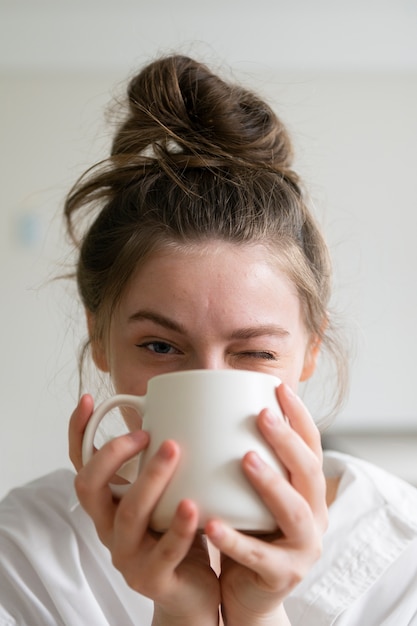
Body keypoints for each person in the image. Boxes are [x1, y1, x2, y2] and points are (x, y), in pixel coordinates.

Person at [1, 54, 416, 626]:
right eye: (161, 346)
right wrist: (181, 614)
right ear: (100, 338)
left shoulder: (404, 551)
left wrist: (259, 615)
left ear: (312, 350)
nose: (208, 383)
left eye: (255, 352)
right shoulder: (24, 550)